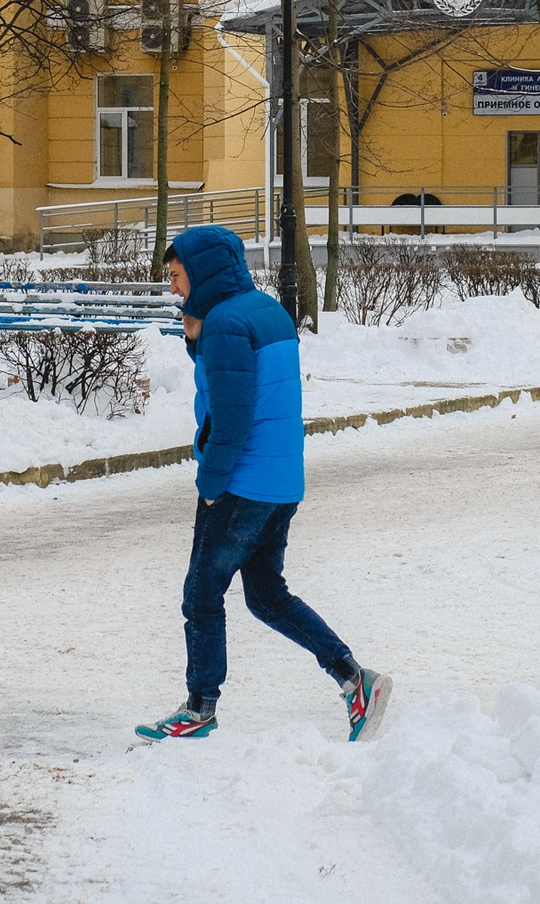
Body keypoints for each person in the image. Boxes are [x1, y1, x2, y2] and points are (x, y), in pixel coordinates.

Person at [134, 224, 392, 743]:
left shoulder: (226, 324)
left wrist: (210, 481)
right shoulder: (264, 311)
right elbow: (243, 383)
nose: (174, 289)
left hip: (240, 484)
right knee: (266, 595)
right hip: (280, 481)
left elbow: (230, 414)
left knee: (202, 594)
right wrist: (195, 340)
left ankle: (199, 708)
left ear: (202, 271)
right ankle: (353, 679)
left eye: (178, 276)